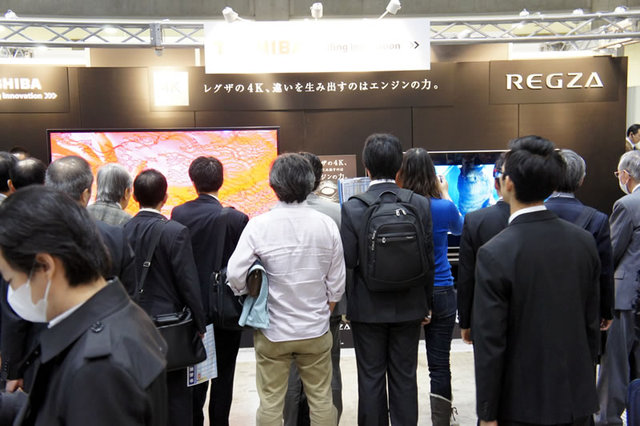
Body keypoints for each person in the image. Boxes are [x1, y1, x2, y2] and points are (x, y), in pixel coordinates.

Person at [0, 185, 167, 425]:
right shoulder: (119, 316)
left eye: (11, 280)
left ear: (45, 266)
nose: (12, 292)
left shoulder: (97, 369)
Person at [474, 135, 600, 425]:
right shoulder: (583, 242)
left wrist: (487, 413)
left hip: (520, 406)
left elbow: (490, 343)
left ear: (508, 183)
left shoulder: (494, 252)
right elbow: (590, 326)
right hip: (576, 400)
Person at [228, 153, 345, 426]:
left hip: (273, 331)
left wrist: (250, 293)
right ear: (311, 183)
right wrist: (325, 310)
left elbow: (234, 275)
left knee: (270, 403)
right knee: (322, 400)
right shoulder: (326, 224)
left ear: (273, 185)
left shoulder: (259, 225)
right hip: (315, 329)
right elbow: (337, 282)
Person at [340, 133, 434, 425]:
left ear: (366, 166)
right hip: (410, 305)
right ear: (399, 167)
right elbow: (428, 259)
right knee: (405, 376)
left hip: (367, 308)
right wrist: (426, 304)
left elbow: (348, 261)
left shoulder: (353, 206)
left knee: (370, 377)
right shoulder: (419, 203)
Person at [124, 169, 206, 426]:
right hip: (171, 326)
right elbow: (188, 282)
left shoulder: (122, 230)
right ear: (165, 197)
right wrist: (200, 324)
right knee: (177, 392)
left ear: (134, 196)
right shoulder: (175, 232)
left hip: (133, 323)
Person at [171, 156, 249, 426]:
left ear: (193, 181)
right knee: (225, 375)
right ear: (222, 180)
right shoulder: (237, 218)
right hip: (227, 309)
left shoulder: (179, 214)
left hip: (192, 310)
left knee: (195, 376)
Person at [396, 147, 463, 425]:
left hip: (408, 291)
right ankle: (441, 420)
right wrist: (445, 193)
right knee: (440, 363)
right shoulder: (444, 207)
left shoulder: (401, 207)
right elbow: (460, 228)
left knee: (403, 364)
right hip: (443, 288)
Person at [283, 152, 345, 425]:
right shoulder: (337, 212)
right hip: (327, 307)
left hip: (287, 309)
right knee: (329, 368)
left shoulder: (273, 216)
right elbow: (343, 264)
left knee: (291, 371)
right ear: (318, 180)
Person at [545, 149, 614, 332]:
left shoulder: (532, 215)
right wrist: (606, 311)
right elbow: (604, 272)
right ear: (581, 180)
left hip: (539, 306)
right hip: (582, 310)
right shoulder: (598, 220)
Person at [596, 150, 640, 425]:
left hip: (625, 297)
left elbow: (611, 252)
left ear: (625, 175)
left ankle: (608, 419)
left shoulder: (626, 204)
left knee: (615, 365)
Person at [456, 154, 509, 345]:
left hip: (488, 316)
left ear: (496, 184)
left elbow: (466, 276)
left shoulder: (475, 220)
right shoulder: (549, 222)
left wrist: (465, 321)